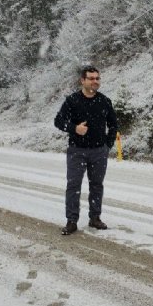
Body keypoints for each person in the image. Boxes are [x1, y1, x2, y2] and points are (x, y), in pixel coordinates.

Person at [54, 65, 118, 235]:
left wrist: (107, 145)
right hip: (77, 150)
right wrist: (74, 128)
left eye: (97, 78)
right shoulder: (72, 100)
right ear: (82, 80)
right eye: (91, 78)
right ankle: (71, 221)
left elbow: (113, 124)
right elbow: (58, 121)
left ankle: (95, 218)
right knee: (73, 185)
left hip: (99, 152)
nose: (95, 81)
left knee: (97, 185)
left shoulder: (104, 101)